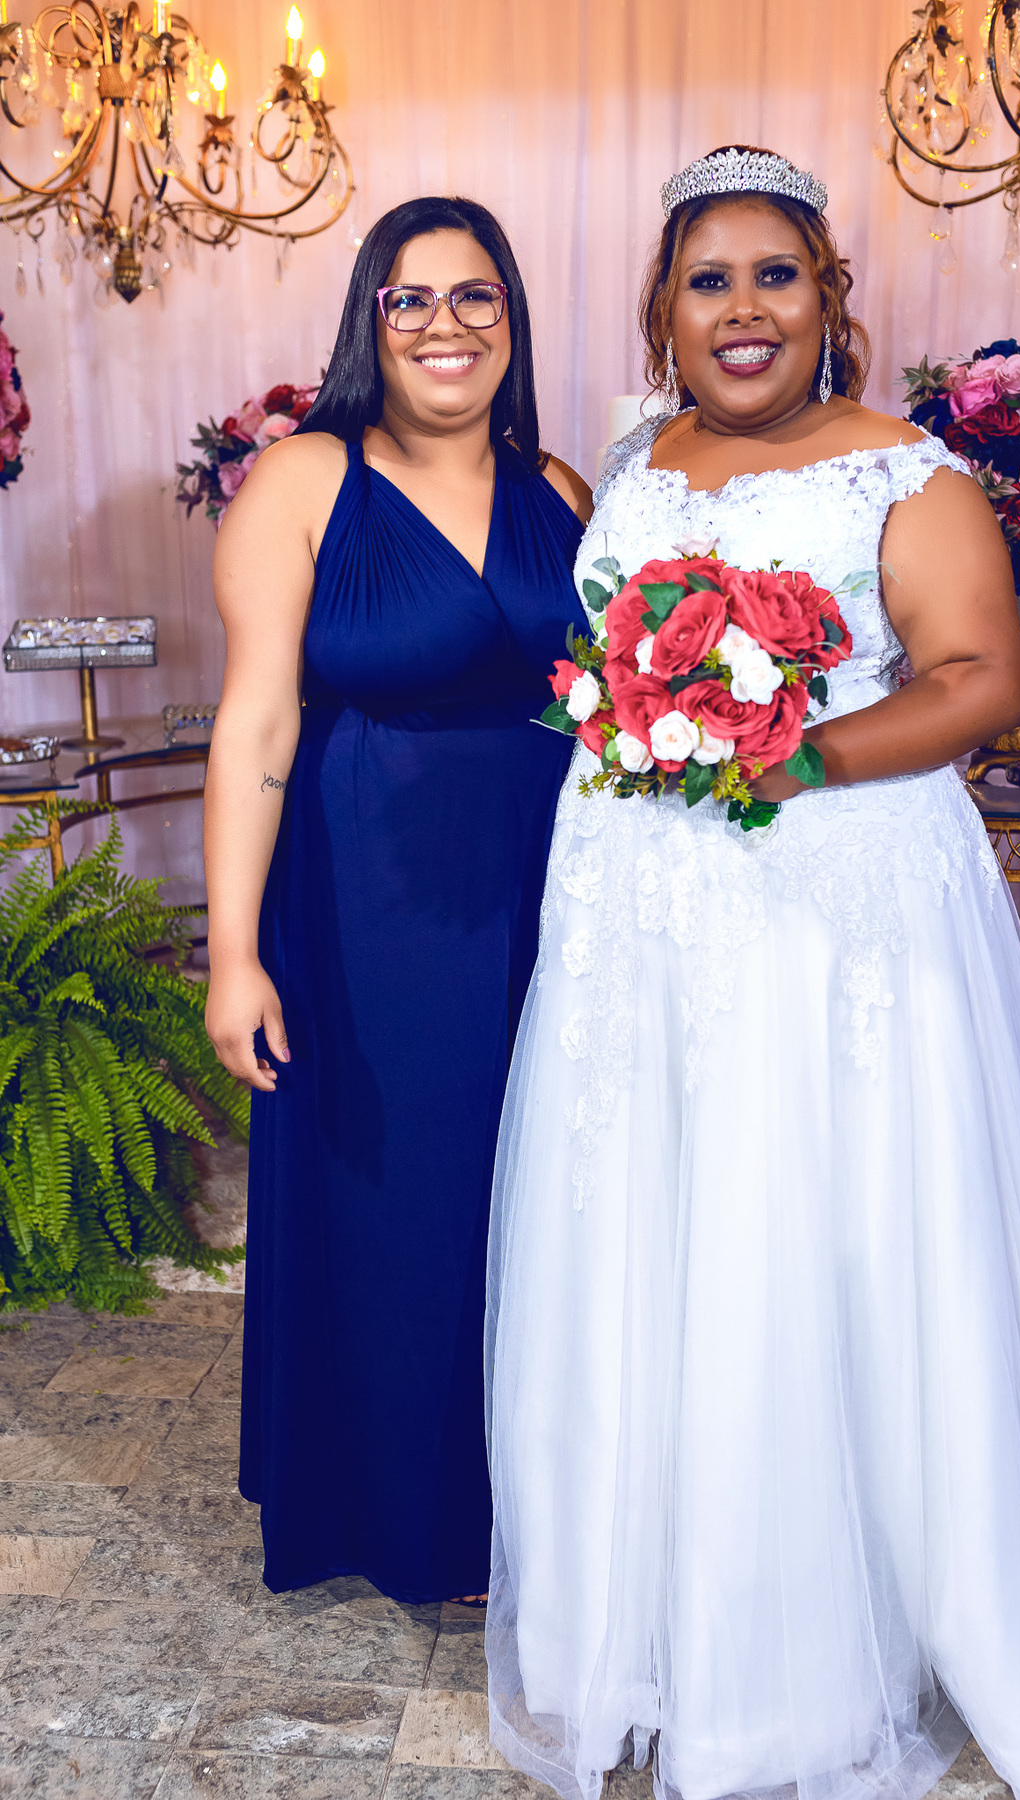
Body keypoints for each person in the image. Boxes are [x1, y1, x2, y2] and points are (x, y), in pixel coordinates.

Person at [485, 147, 1020, 1799]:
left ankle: (813, 1653)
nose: (742, 309)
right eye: (708, 280)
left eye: (775, 275)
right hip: (636, 909)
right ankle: (640, 1624)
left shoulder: (909, 474)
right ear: (665, 311)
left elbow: (981, 680)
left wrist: (782, 754)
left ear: (829, 300)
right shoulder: (631, 462)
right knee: (651, 1225)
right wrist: (640, 714)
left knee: (829, 1225)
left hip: (833, 904)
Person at [203, 196, 591, 1606]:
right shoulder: (306, 479)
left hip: (551, 885)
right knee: (403, 1194)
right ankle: (409, 1517)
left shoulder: (560, 489)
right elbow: (256, 723)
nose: (446, 325)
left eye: (476, 296)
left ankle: (541, 1505)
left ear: (513, 319)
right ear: (371, 321)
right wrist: (233, 953)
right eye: (411, 298)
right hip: (371, 894)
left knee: (541, 1187)